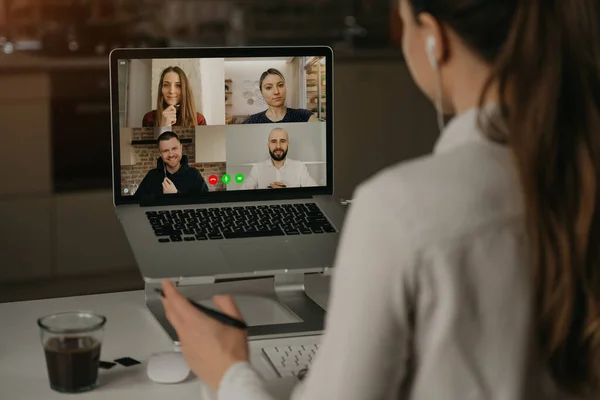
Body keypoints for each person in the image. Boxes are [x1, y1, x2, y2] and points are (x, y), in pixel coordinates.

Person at [160, 0, 600, 399]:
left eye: (400, 20)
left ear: (433, 37)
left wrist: (229, 372)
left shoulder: (398, 210)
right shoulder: (581, 172)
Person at [135, 131, 208, 199]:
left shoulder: (194, 175)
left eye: (174, 148)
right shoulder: (151, 176)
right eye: (165, 151)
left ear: (181, 148)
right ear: (160, 154)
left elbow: (205, 203)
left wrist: (176, 194)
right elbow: (136, 202)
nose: (171, 154)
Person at [241, 127, 317, 189]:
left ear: (288, 144)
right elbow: (243, 193)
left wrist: (286, 194)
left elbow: (315, 192)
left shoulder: (299, 167)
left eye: (282, 141)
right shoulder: (257, 168)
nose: (278, 146)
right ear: (268, 145)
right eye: (273, 142)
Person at [243, 68, 319, 124]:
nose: (276, 92)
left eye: (280, 85)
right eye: (269, 87)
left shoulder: (304, 116)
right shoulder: (252, 122)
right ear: (261, 92)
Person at [142, 66, 207, 127]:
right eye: (166, 85)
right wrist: (163, 127)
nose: (171, 91)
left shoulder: (199, 120)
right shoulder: (149, 118)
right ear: (161, 89)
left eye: (178, 85)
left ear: (184, 89)